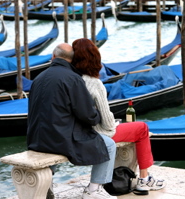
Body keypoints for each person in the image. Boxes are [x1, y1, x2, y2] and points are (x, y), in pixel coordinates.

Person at [71, 38, 166, 192]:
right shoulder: (94, 83)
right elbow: (107, 123)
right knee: (142, 128)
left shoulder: (71, 80)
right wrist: (113, 125)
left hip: (76, 132)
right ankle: (144, 178)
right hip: (95, 134)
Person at [27, 43, 118, 199]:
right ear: (71, 60)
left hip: (36, 138)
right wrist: (96, 116)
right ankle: (93, 190)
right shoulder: (73, 79)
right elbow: (88, 115)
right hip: (61, 139)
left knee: (52, 140)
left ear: (53, 56)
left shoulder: (39, 78)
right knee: (108, 145)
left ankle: (46, 185)